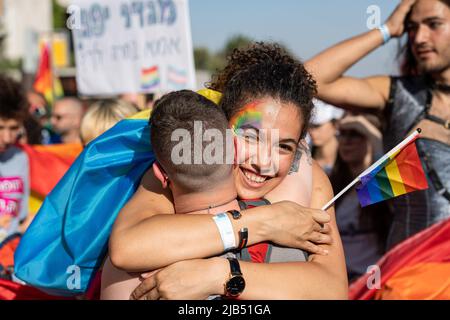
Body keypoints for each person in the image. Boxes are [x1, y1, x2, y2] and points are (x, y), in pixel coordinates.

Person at [108, 43, 348, 300]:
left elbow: (332, 290)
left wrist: (219, 275)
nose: (263, 162)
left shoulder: (311, 178)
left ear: (300, 146)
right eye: (250, 136)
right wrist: (264, 223)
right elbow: (128, 248)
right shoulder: (179, 172)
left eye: (284, 146)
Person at [305, 0, 450, 248]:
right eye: (412, 28)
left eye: (433, 24)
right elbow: (311, 77)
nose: (419, 38)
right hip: (412, 274)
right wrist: (387, 30)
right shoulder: (399, 95)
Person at [330, 114, 391, 282]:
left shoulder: (377, 186)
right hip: (340, 282)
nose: (346, 141)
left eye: (355, 133)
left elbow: (387, 164)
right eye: (342, 133)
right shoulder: (332, 183)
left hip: (374, 282)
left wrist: (369, 130)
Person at [0, 75, 30, 246]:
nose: (7, 137)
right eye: (0, 128)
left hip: (10, 254)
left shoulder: (20, 157)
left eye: (13, 128)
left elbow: (22, 214)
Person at [309, 99, 343, 175]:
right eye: (309, 126)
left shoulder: (350, 158)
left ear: (335, 124)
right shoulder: (304, 158)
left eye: (317, 126)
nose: (311, 131)